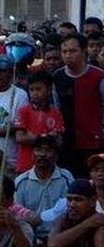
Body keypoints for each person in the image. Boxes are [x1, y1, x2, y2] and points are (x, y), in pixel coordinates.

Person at [53, 33, 104, 178]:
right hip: (66, 146)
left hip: (94, 144)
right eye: (64, 51)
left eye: (72, 51)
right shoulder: (57, 77)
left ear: (84, 51)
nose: (68, 55)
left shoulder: (98, 77)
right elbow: (56, 109)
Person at [13, 136, 73, 235]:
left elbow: (71, 209)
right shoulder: (21, 181)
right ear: (32, 154)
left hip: (59, 235)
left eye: (48, 150)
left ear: (56, 155)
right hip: (30, 236)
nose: (42, 154)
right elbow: (16, 211)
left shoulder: (66, 178)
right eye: (38, 150)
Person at [14, 71, 64, 174]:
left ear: (49, 90)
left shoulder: (55, 113)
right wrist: (45, 137)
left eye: (38, 89)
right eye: (31, 89)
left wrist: (32, 137)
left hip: (49, 167)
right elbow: (20, 138)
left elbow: (59, 141)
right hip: (25, 166)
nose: (34, 93)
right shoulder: (24, 111)